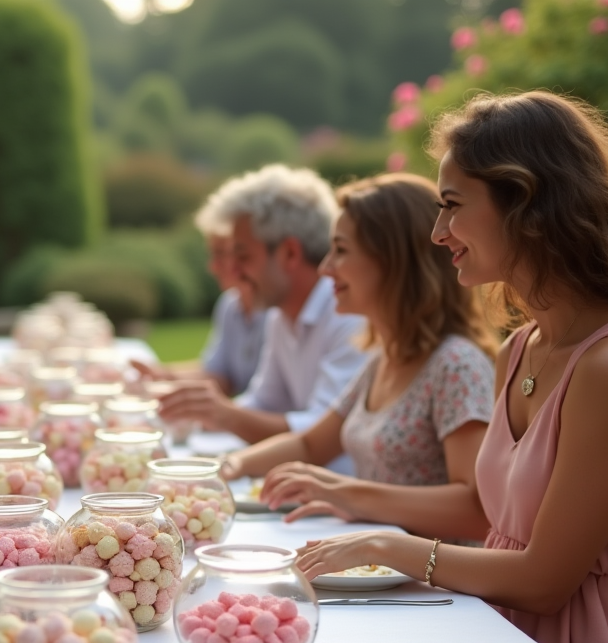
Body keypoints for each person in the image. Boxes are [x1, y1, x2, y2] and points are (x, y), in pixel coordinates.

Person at [296, 92, 608, 643]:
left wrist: (391, 548)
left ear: (526, 203)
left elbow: (544, 578)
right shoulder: (521, 348)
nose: (436, 231)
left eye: (452, 204)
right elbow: (500, 527)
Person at [221, 173, 497, 542]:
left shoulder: (456, 366)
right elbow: (309, 444)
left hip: (439, 592)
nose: (325, 268)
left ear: (393, 261)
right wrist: (224, 469)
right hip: (384, 573)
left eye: (341, 250)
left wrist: (344, 493)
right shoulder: (384, 360)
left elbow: (477, 511)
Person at [157, 165, 368, 463]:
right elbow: (264, 403)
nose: (233, 271)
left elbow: (321, 433)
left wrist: (224, 415)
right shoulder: (280, 316)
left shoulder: (348, 317)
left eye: (243, 256)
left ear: (290, 253)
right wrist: (205, 412)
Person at [132, 182, 268, 396]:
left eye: (221, 254)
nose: (213, 266)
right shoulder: (231, 305)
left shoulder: (278, 312)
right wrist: (160, 375)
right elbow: (218, 374)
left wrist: (164, 379)